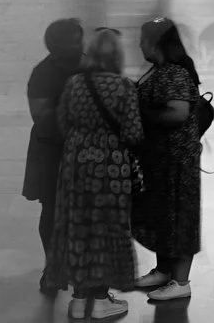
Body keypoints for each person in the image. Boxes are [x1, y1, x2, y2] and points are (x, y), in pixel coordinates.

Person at [57, 27, 146, 318]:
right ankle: (102, 299)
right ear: (118, 55)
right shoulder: (124, 87)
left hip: (77, 163)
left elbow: (63, 122)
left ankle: (79, 298)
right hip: (111, 167)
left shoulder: (75, 84)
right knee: (108, 228)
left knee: (80, 227)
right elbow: (133, 133)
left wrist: (83, 139)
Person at [130, 18, 203, 302]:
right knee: (164, 217)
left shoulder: (174, 73)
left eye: (142, 40)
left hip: (177, 164)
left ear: (156, 43)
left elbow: (178, 113)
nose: (139, 45)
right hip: (159, 160)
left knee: (180, 219)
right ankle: (164, 270)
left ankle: (181, 280)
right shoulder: (160, 70)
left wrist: (142, 112)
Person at [24, 18, 85, 296]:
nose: (80, 45)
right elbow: (43, 118)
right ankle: (53, 267)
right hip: (54, 153)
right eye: (74, 40)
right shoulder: (43, 74)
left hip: (85, 151)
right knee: (51, 210)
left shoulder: (89, 66)